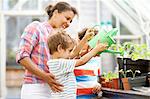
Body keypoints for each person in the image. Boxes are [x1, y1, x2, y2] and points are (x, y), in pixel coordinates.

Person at [16, 1, 87, 99]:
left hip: (55, 90)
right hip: (35, 87)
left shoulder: (61, 37)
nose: (68, 23)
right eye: (67, 18)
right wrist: (44, 76)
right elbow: (22, 56)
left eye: (71, 21)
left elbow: (69, 57)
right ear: (56, 13)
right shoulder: (37, 27)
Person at [47, 30, 107, 99]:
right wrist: (96, 50)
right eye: (69, 50)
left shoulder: (55, 62)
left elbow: (74, 53)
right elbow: (81, 61)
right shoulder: (60, 63)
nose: (71, 54)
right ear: (60, 48)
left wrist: (85, 38)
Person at [74, 28, 103, 99]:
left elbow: (96, 79)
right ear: (79, 41)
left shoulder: (96, 60)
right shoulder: (73, 60)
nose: (92, 46)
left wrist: (98, 85)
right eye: (89, 41)